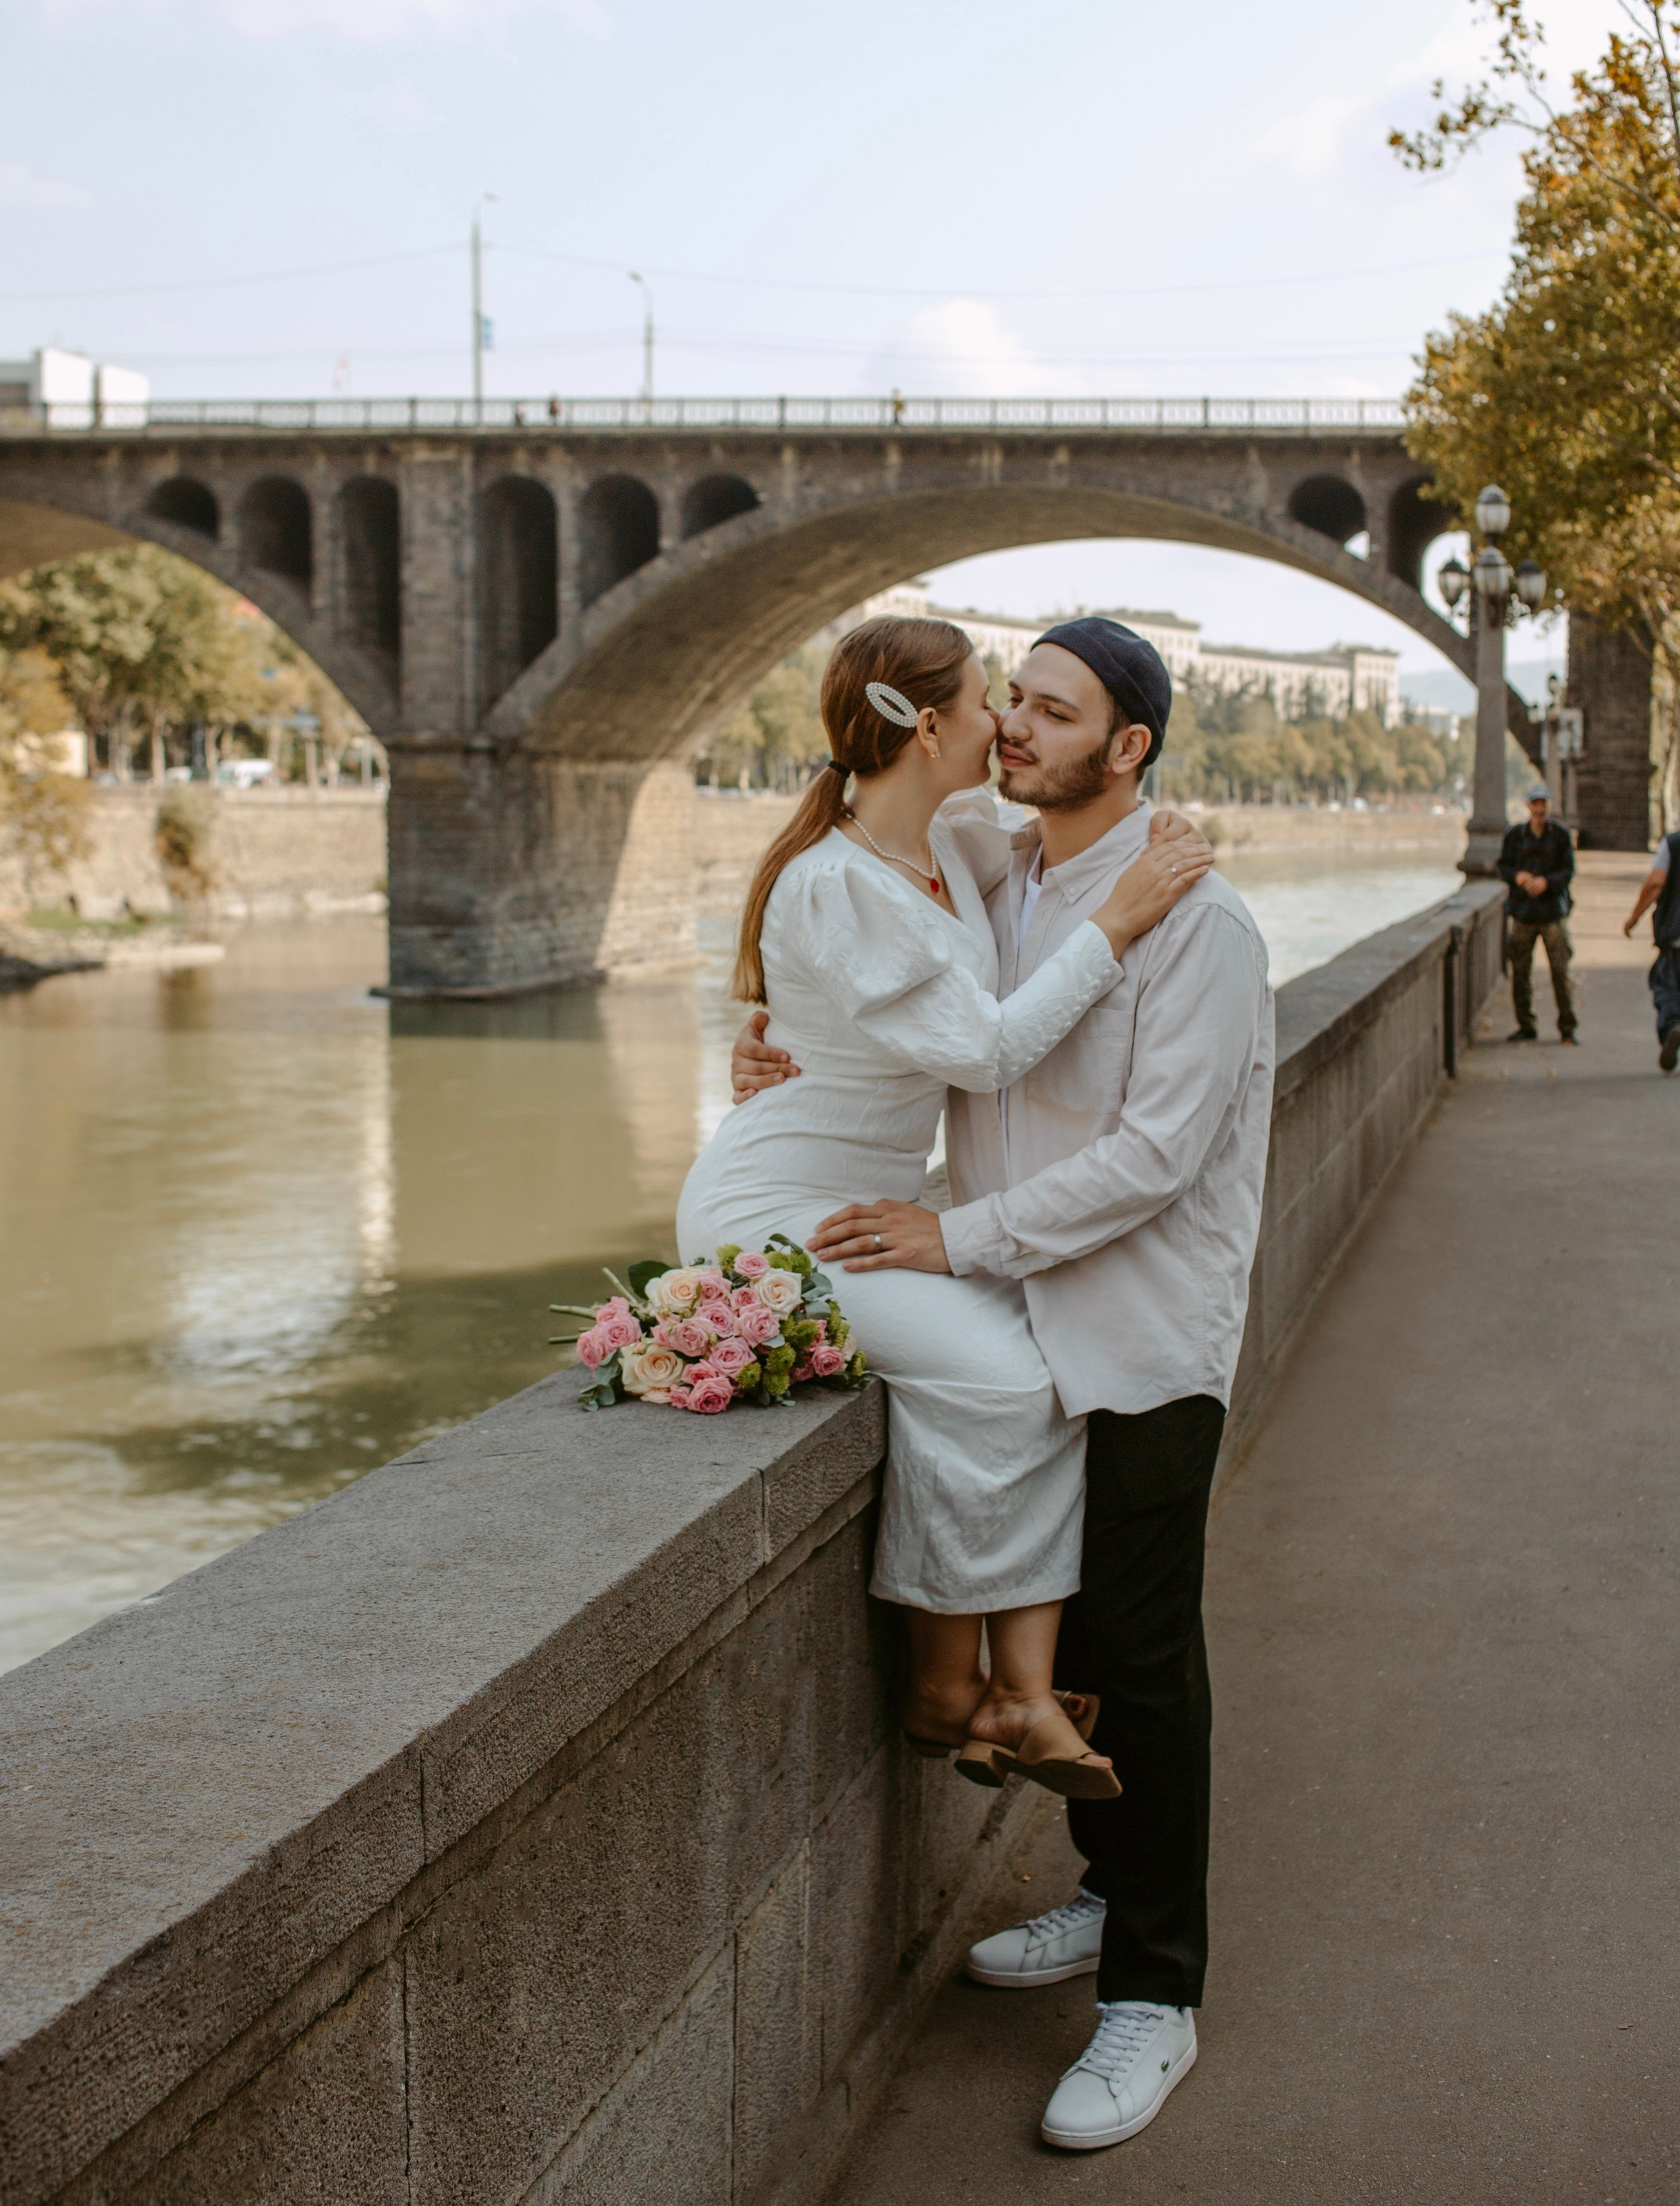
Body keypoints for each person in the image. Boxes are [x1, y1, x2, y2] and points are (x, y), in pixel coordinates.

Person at [734, 617, 1274, 2152]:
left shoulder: (1199, 920)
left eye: (1054, 711)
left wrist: (947, 1237)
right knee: (1087, 1631)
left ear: (1132, 747)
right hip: (1019, 1312)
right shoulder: (1000, 865)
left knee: (1147, 1658)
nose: (1018, 729)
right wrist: (778, 1044)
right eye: (1011, 702)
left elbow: (1154, 1159)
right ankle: (1106, 1894)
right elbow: (870, 930)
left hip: (1139, 1330)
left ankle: (1154, 1997)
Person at [678, 615, 1213, 1804]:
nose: (1006, 722)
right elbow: (987, 1049)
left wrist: (1159, 831)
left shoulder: (957, 837)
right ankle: (974, 1689)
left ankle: (977, 1690)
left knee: (1022, 1358)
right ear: (930, 727)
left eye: (1024, 702)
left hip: (860, 1194)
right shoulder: (834, 885)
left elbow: (1079, 825)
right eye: (991, 700)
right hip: (775, 1215)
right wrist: (1116, 922)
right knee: (1015, 1377)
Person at [1497, 784, 1578, 1044]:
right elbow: (1503, 867)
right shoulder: (1515, 836)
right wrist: (1518, 877)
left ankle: (1567, 1027)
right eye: (1535, 803)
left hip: (1552, 912)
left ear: (1549, 805)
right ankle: (1526, 1025)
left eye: (1544, 803)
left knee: (1560, 972)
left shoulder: (1561, 836)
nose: (1540, 808)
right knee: (1520, 973)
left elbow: (1568, 870)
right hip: (1523, 913)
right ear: (1529, 806)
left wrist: (1546, 882)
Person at [1621, 821, 1680, 1072]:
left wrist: (1634, 917)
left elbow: (1655, 883)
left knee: (1666, 987)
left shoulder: (1673, 843)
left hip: (1676, 939)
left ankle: (1673, 1028)